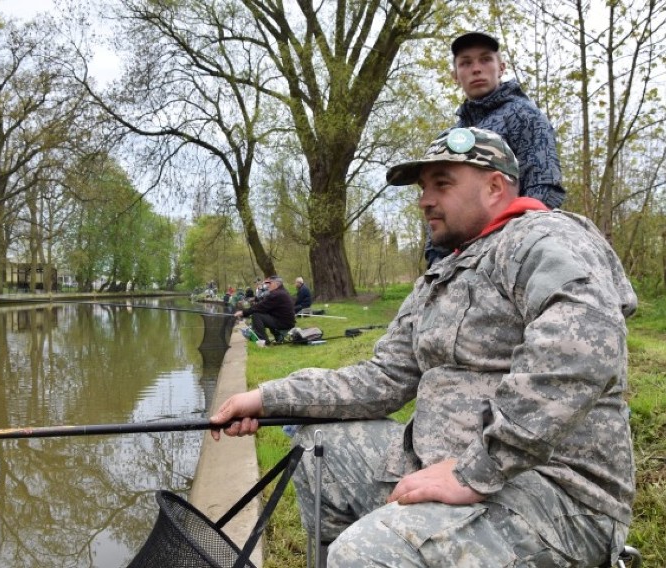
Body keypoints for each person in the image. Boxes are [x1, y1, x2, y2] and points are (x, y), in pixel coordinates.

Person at [212, 127, 637, 567]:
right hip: (443, 464)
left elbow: (584, 348)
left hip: (551, 494)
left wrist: (477, 470)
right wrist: (268, 397)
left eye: (442, 183)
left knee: (361, 556)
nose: (424, 200)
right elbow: (383, 377)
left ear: (494, 186)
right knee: (319, 447)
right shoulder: (441, 274)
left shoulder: (542, 237)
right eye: (422, 188)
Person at [424, 31, 566, 267]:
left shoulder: (525, 116)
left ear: (501, 67)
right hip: (455, 261)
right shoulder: (453, 136)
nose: (476, 69)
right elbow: (440, 198)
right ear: (455, 76)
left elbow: (545, 188)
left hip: (509, 257)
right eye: (466, 63)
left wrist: (502, 249)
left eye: (485, 59)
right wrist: (435, 256)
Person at [234, 275, 296, 344]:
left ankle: (263, 341)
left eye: (269, 283)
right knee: (261, 313)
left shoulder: (277, 294)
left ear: (277, 284)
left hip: (284, 322)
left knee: (256, 315)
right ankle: (277, 337)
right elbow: (263, 306)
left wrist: (243, 312)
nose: (267, 285)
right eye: (266, 283)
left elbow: (260, 306)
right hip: (285, 321)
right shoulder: (281, 292)